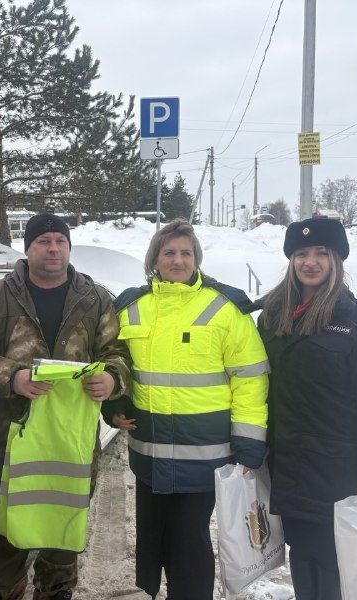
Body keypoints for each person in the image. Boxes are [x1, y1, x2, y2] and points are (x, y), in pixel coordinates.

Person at [0, 212, 132, 600]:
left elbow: (118, 352)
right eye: (44, 241)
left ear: (69, 247)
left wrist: (112, 379)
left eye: (60, 241)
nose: (53, 249)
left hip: (72, 442)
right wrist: (13, 377)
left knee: (63, 536)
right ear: (27, 246)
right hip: (11, 440)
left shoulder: (95, 299)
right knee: (7, 537)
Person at [104, 218, 270, 600]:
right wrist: (114, 407)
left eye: (186, 253)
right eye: (169, 253)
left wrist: (248, 444)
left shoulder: (225, 308)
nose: (178, 261)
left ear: (197, 259)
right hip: (148, 453)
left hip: (205, 454)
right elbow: (114, 363)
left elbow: (251, 380)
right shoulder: (131, 307)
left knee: (189, 541)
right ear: (154, 259)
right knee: (151, 543)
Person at [257, 217, 357, 600]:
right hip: (287, 461)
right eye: (301, 253)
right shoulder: (271, 316)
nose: (310, 262)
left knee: (337, 561)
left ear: (336, 260)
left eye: (321, 253)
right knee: (302, 554)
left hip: (337, 467)